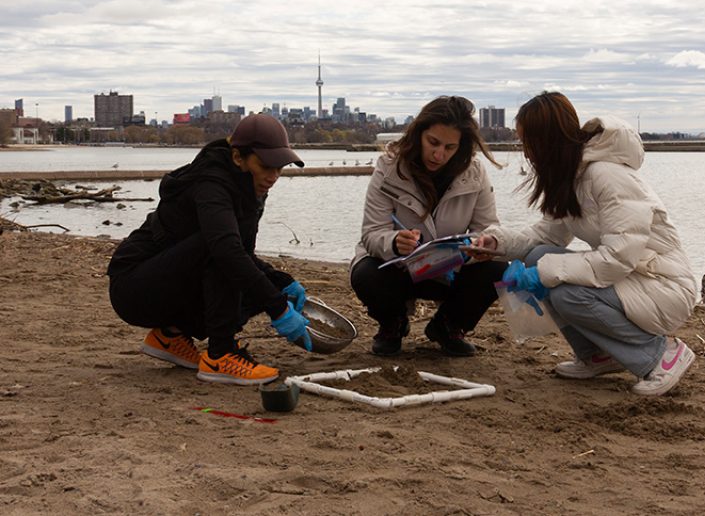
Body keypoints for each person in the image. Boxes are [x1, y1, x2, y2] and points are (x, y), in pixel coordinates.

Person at [474, 91, 697, 396]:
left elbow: (618, 258)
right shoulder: (571, 177)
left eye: (527, 142)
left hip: (661, 284)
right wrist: (495, 242)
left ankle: (660, 354)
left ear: (546, 139)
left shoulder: (607, 177)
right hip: (632, 280)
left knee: (564, 291)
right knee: (538, 256)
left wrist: (546, 272)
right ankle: (598, 355)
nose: (525, 152)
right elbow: (547, 238)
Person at [107, 114, 312, 385]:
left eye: (279, 168)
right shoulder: (211, 183)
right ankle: (221, 356)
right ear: (238, 157)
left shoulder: (249, 187)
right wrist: (278, 309)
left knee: (251, 280)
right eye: (265, 166)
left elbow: (242, 254)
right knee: (224, 254)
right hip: (134, 285)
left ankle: (170, 335)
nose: (273, 176)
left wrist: (281, 283)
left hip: (170, 280)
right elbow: (225, 250)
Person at [350, 96, 507, 357]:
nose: (439, 154)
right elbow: (371, 234)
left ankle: (448, 326)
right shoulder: (388, 167)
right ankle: (393, 325)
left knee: (499, 267)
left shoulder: (475, 172)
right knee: (365, 273)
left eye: (449, 147)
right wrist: (393, 242)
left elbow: (489, 230)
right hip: (399, 269)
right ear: (418, 134)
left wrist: (480, 246)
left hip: (451, 269)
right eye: (433, 142)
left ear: (461, 146)